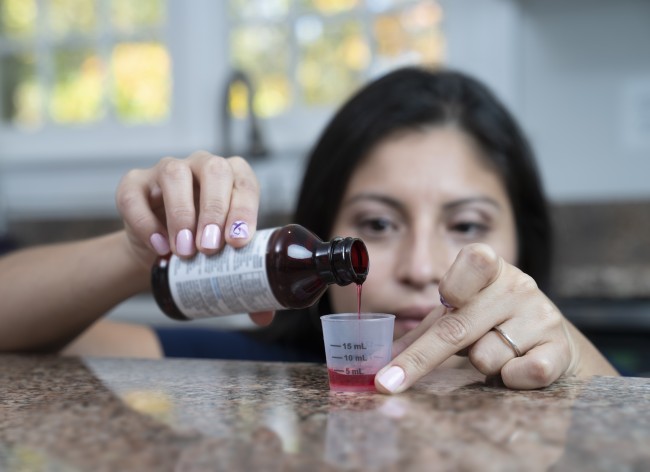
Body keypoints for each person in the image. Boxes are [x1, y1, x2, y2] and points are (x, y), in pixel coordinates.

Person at [0, 66, 618, 392]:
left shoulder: (560, 374)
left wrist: (570, 358)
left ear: (523, 244)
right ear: (324, 240)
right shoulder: (259, 380)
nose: (423, 267)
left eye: (465, 224)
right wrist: (146, 248)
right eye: (377, 222)